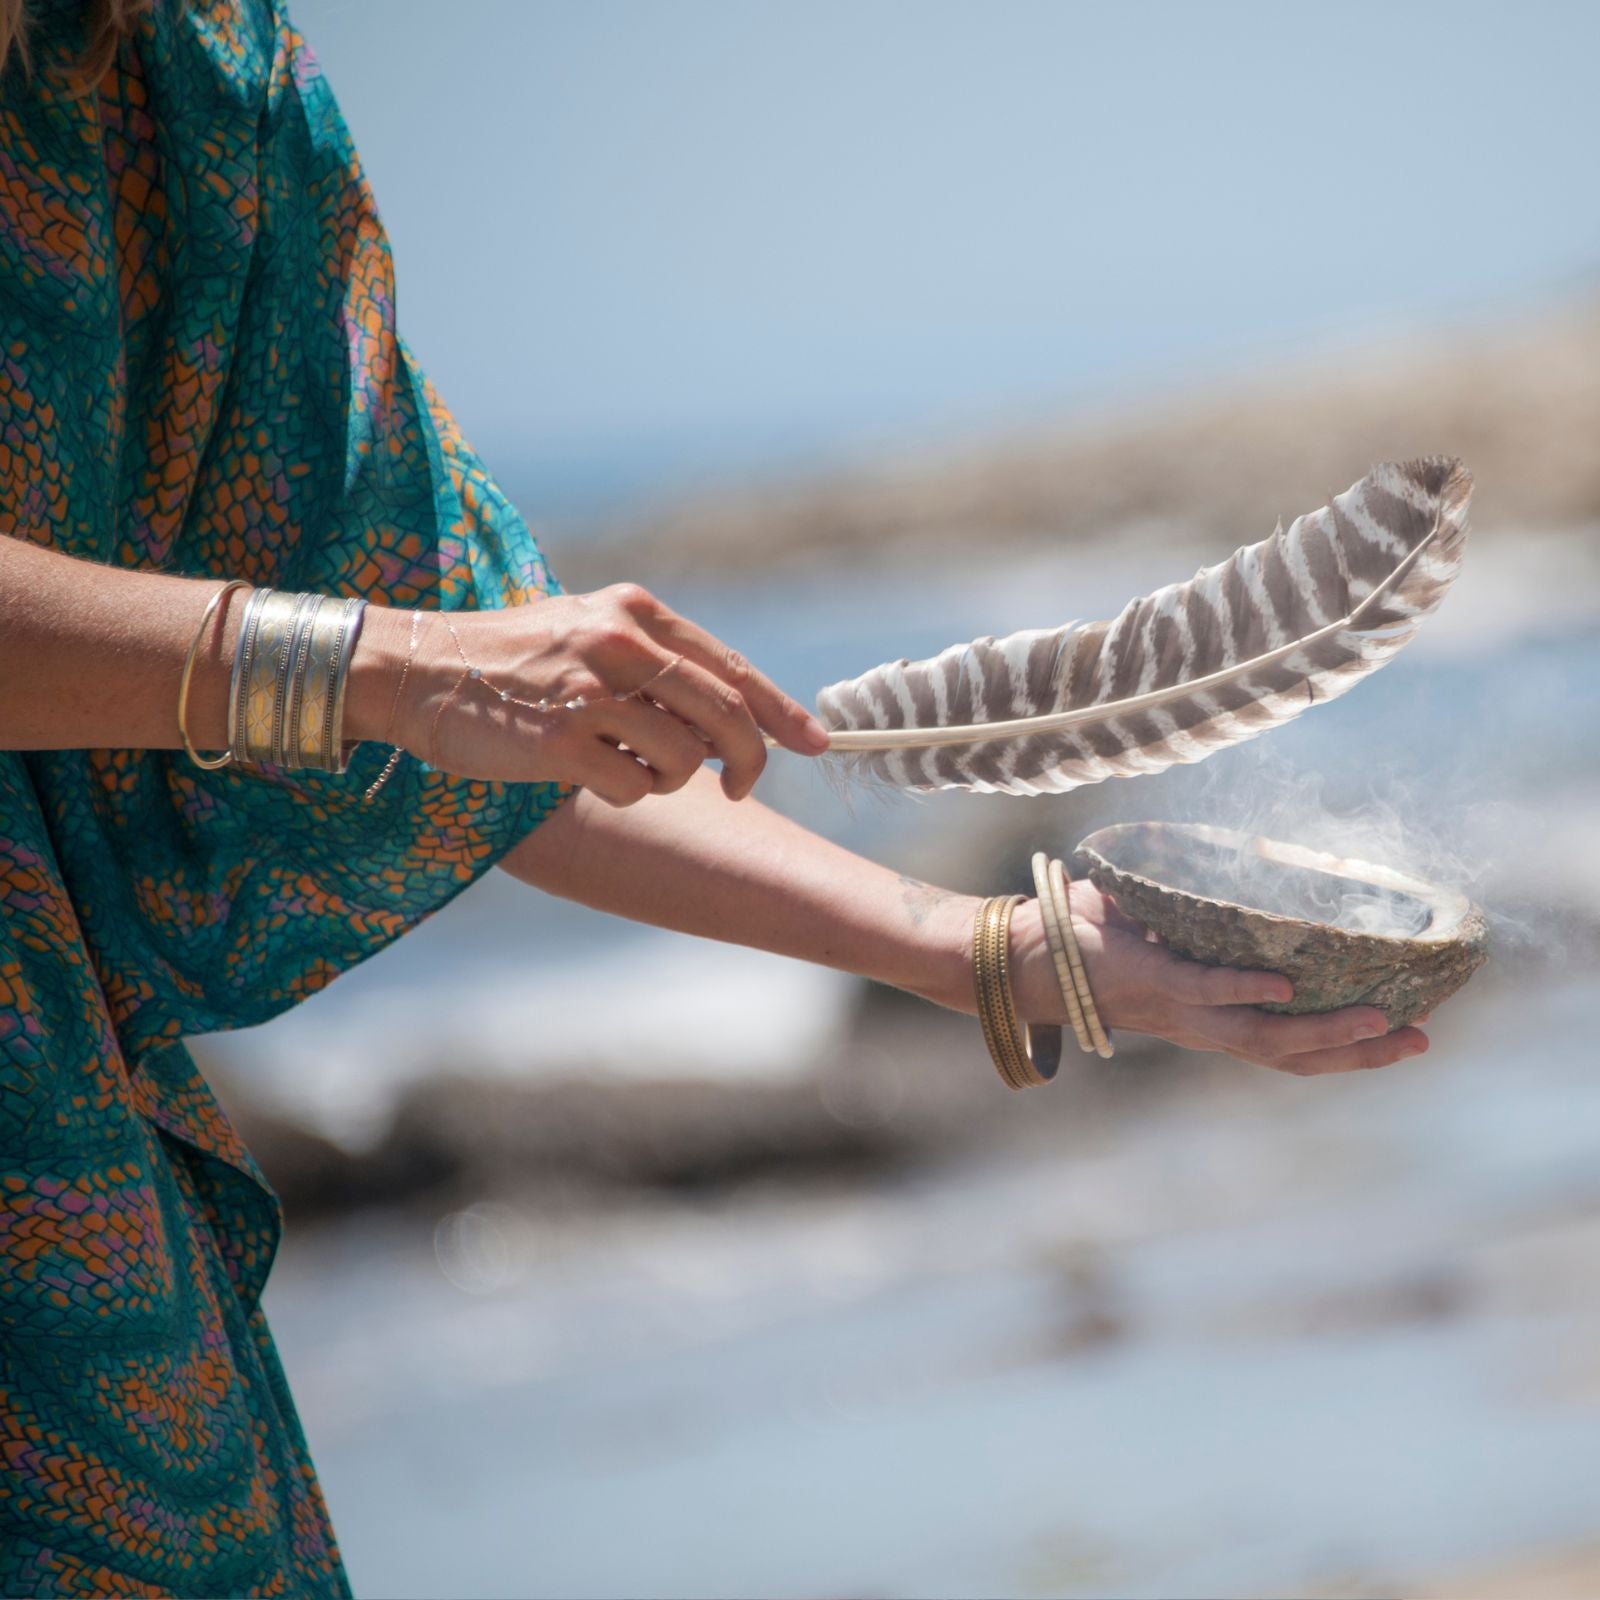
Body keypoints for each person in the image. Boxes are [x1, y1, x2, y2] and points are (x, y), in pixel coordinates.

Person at [0, 1, 1430, 1593]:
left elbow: (502, 754)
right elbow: (430, 684)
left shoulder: (190, 88)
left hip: (61, 1207)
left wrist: (1004, 957)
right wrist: (383, 665)